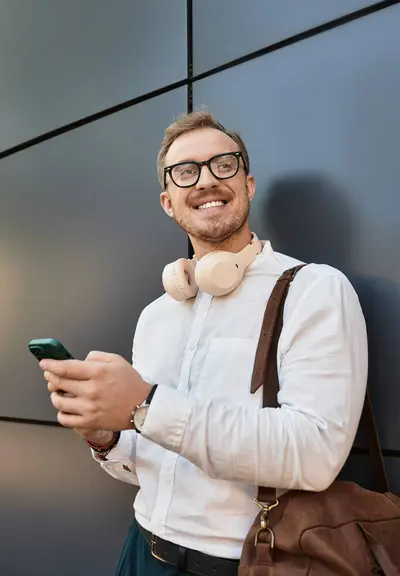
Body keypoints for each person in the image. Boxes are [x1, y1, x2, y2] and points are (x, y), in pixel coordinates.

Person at [41, 111, 368, 576]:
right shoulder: (156, 315)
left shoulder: (313, 289)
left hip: (246, 564)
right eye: (187, 171)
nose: (207, 181)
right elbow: (150, 461)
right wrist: (107, 437)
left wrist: (148, 404)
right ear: (168, 202)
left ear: (249, 184)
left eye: (224, 165)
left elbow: (315, 456)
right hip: (140, 552)